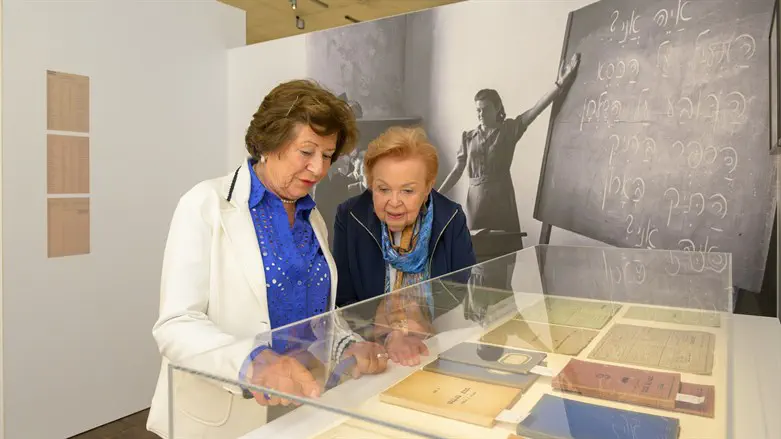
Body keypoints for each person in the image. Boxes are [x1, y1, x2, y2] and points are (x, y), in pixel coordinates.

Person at [146, 79, 388, 439]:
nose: (319, 169)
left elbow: (315, 316)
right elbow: (176, 324)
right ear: (271, 142)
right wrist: (251, 363)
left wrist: (346, 343)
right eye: (307, 152)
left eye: (327, 155)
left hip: (300, 407)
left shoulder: (312, 216)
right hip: (224, 418)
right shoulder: (206, 204)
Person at [333, 126, 477, 366]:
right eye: (383, 189)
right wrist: (389, 334)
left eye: (408, 190)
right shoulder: (349, 216)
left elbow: (460, 288)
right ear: (370, 185)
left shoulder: (451, 217)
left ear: (427, 187)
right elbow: (346, 299)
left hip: (438, 345)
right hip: (371, 352)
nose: (395, 202)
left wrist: (417, 324)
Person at [438, 53, 581, 233]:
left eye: (485, 109)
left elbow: (536, 109)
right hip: (475, 203)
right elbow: (457, 170)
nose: (481, 114)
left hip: (501, 201)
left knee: (504, 251)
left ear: (497, 107)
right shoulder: (468, 137)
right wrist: (437, 196)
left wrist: (559, 84)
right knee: (477, 251)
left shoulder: (509, 130)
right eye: (478, 110)